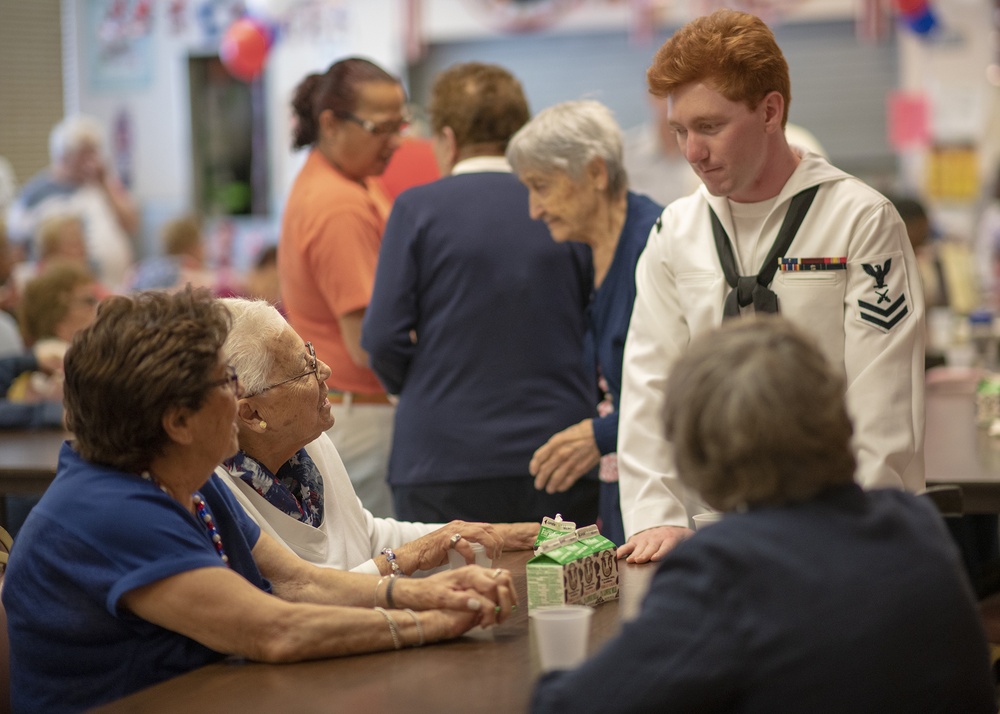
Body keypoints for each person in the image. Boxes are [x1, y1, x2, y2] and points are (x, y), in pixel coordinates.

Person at [2, 288, 516, 713]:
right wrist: (436, 621)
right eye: (225, 384)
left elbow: (296, 580)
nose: (239, 400)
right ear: (178, 423)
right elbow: (275, 630)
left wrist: (428, 592)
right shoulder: (105, 511)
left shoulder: (181, 478)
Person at [532, 316, 994, 713]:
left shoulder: (726, 567)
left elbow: (573, 707)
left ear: (696, 448)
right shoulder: (913, 523)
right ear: (839, 420)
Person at [616, 9, 925, 564]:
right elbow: (649, 382)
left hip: (844, 532)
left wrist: (856, 526)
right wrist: (654, 516)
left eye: (710, 127)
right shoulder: (675, 230)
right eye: (679, 131)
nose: (692, 152)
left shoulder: (859, 219)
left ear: (770, 111)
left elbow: (883, 396)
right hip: (714, 535)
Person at [362, 62, 599, 525]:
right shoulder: (565, 204)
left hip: (441, 458)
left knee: (446, 597)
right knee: (567, 597)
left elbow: (382, 337)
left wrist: (425, 388)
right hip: (562, 451)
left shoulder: (416, 210)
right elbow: (599, 317)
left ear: (447, 138)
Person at [216, 297, 540, 574]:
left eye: (311, 353)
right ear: (252, 413)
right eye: (305, 369)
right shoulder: (217, 493)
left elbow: (368, 536)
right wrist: (406, 559)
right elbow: (301, 596)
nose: (325, 370)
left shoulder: (308, 442)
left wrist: (491, 534)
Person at [506, 100, 663, 545]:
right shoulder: (587, 251)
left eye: (542, 187)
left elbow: (689, 384)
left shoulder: (656, 243)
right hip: (624, 482)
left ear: (596, 173)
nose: (534, 210)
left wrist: (601, 435)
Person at [278, 57, 409, 519]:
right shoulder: (338, 205)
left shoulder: (348, 180)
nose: (395, 142)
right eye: (382, 128)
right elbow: (367, 345)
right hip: (363, 411)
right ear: (331, 123)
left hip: (359, 411)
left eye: (401, 125)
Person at [6, 114, 139, 289]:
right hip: (65, 290)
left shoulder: (102, 184)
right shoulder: (34, 195)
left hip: (113, 286)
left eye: (95, 151)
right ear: (63, 155)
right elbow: (18, 251)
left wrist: (104, 185)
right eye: (85, 153)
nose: (92, 160)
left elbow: (132, 224)